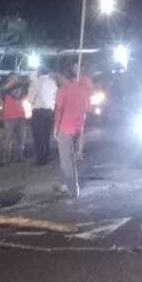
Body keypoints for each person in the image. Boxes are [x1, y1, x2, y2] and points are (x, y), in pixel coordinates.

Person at [53, 63, 92, 197]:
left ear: (63, 76)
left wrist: (56, 127)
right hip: (78, 127)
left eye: (58, 77)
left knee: (66, 160)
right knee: (71, 158)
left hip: (65, 127)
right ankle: (65, 183)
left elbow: (59, 110)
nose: (57, 79)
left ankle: (72, 188)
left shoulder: (63, 90)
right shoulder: (84, 89)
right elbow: (87, 108)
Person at [27, 65, 58, 165]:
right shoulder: (53, 82)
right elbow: (55, 97)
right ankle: (47, 154)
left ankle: (40, 158)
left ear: (39, 72)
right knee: (46, 135)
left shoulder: (35, 82)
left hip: (38, 112)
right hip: (49, 112)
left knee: (38, 136)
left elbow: (30, 99)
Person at [0, 74, 29, 164]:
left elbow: (25, 94)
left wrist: (20, 84)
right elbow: (3, 89)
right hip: (9, 117)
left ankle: (19, 156)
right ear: (8, 79)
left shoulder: (21, 88)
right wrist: (11, 83)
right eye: (12, 78)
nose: (15, 79)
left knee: (22, 138)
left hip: (21, 116)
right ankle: (6, 158)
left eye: (16, 78)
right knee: (7, 139)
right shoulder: (5, 90)